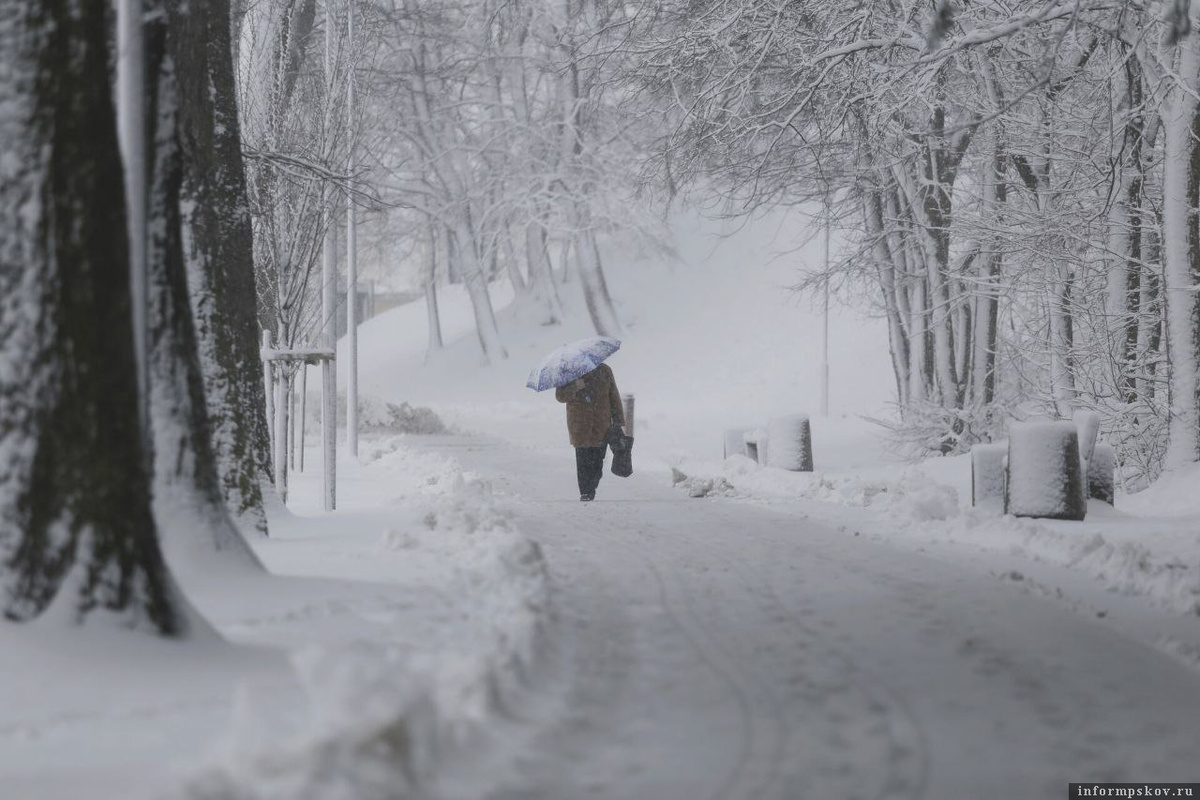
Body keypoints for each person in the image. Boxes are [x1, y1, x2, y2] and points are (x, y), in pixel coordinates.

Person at [556, 363, 625, 501]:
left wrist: (618, 420)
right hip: (579, 425)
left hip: (601, 424)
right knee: (582, 461)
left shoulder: (605, 370)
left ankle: (591, 487)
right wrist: (575, 386)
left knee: (597, 463)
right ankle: (586, 492)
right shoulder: (570, 371)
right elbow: (560, 396)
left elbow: (614, 396)